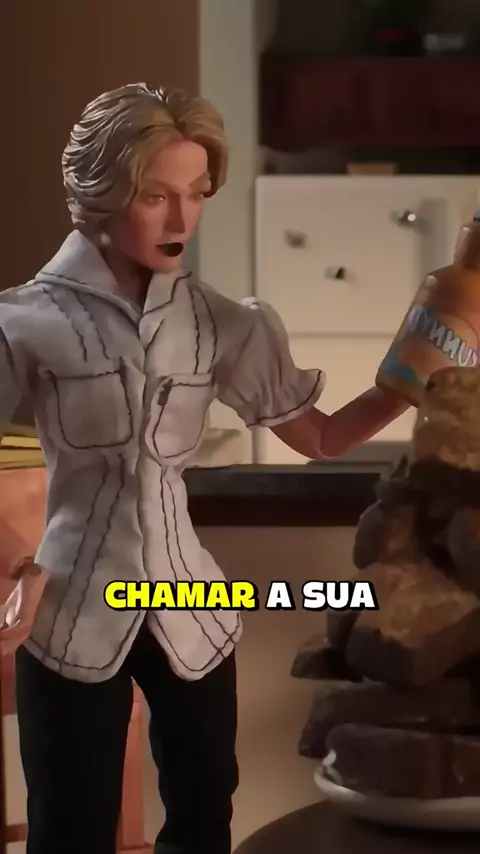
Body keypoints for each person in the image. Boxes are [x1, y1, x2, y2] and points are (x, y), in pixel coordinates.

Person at [0, 83, 410, 854]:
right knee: (69, 826)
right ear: (102, 194)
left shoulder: (223, 323)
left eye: (195, 194)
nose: (181, 219)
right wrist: (9, 566)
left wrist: (407, 382)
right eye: (156, 195)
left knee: (201, 817)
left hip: (190, 604)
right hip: (70, 609)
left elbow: (321, 438)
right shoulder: (26, 322)